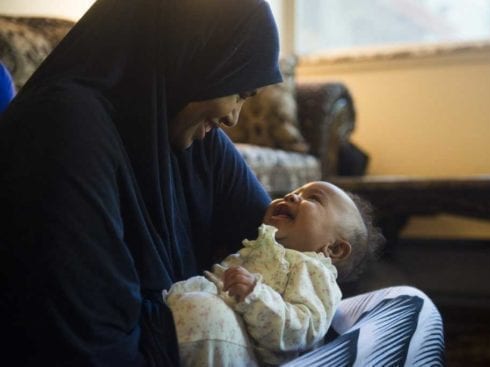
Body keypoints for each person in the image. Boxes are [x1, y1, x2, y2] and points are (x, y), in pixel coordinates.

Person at [0, 1, 444, 366]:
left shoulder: (190, 135)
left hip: (229, 339)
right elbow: (90, 341)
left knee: (405, 304)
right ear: (192, 54)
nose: (233, 117)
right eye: (237, 92)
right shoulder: (65, 125)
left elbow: (279, 246)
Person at [165, 181, 383, 365]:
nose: (291, 196)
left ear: (333, 249)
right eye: (294, 192)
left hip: (253, 356)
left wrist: (255, 296)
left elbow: (303, 330)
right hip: (197, 332)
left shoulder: (314, 271)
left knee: (206, 312)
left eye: (313, 199)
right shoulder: (257, 246)